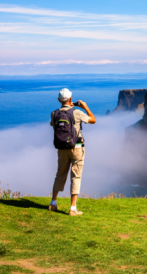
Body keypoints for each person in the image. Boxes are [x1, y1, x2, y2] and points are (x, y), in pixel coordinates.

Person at [49, 88, 96, 216]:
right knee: (76, 176)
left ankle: (53, 203)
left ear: (59, 100)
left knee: (60, 175)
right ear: (70, 99)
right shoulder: (76, 112)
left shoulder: (54, 114)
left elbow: (53, 125)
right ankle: (72, 208)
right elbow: (93, 120)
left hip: (62, 148)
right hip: (77, 147)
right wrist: (85, 107)